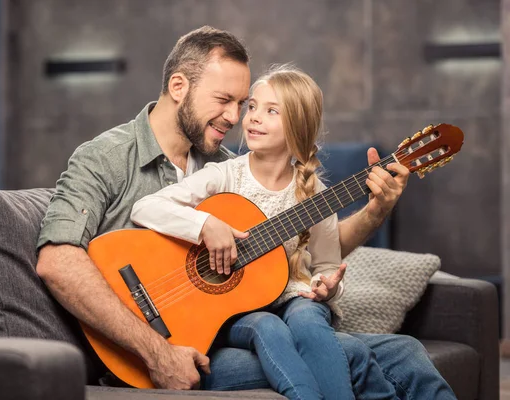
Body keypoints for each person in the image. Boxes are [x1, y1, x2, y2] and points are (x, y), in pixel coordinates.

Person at [35, 26, 455, 399]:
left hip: (231, 326)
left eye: (244, 103)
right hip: (153, 344)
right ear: (179, 86)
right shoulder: (106, 157)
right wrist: (157, 352)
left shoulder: (227, 163)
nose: (237, 118)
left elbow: (307, 241)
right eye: (226, 101)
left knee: (406, 351)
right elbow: (57, 262)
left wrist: (375, 211)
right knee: (352, 356)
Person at [129, 65, 357, 400]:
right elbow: (145, 208)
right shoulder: (224, 176)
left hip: (292, 298)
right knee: (268, 326)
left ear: (298, 125)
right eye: (252, 107)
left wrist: (326, 288)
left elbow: (325, 267)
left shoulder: (316, 196)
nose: (252, 117)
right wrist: (205, 225)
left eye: (271, 111)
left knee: (309, 318)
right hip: (237, 310)